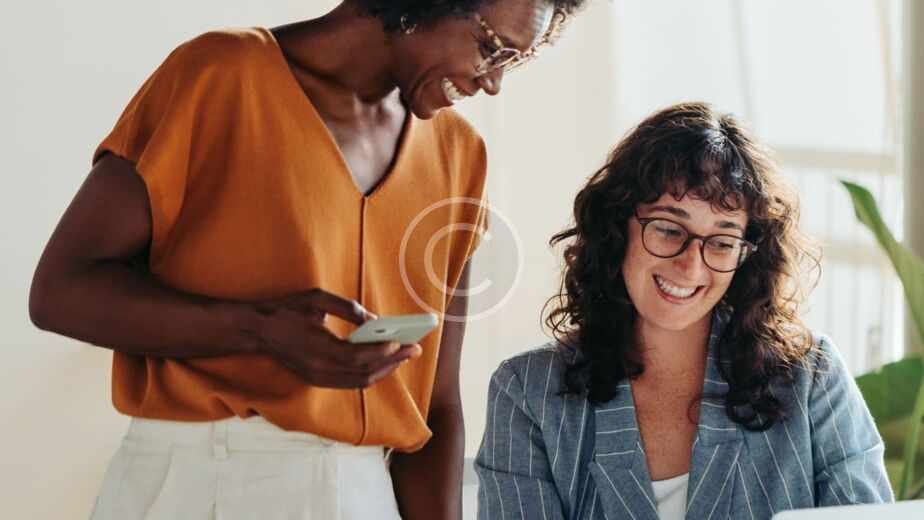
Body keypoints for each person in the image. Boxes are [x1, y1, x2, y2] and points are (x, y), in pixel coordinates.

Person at [28, 1, 585, 518]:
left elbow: (436, 407)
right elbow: (61, 291)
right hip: (198, 483)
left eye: (515, 60)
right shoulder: (220, 75)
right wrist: (256, 330)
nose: (492, 82)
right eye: (491, 49)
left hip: (363, 493)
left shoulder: (460, 154)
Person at [475, 102, 893, 520]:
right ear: (617, 226)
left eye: (722, 242)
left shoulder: (811, 378)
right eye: (669, 229)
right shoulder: (527, 393)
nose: (691, 267)